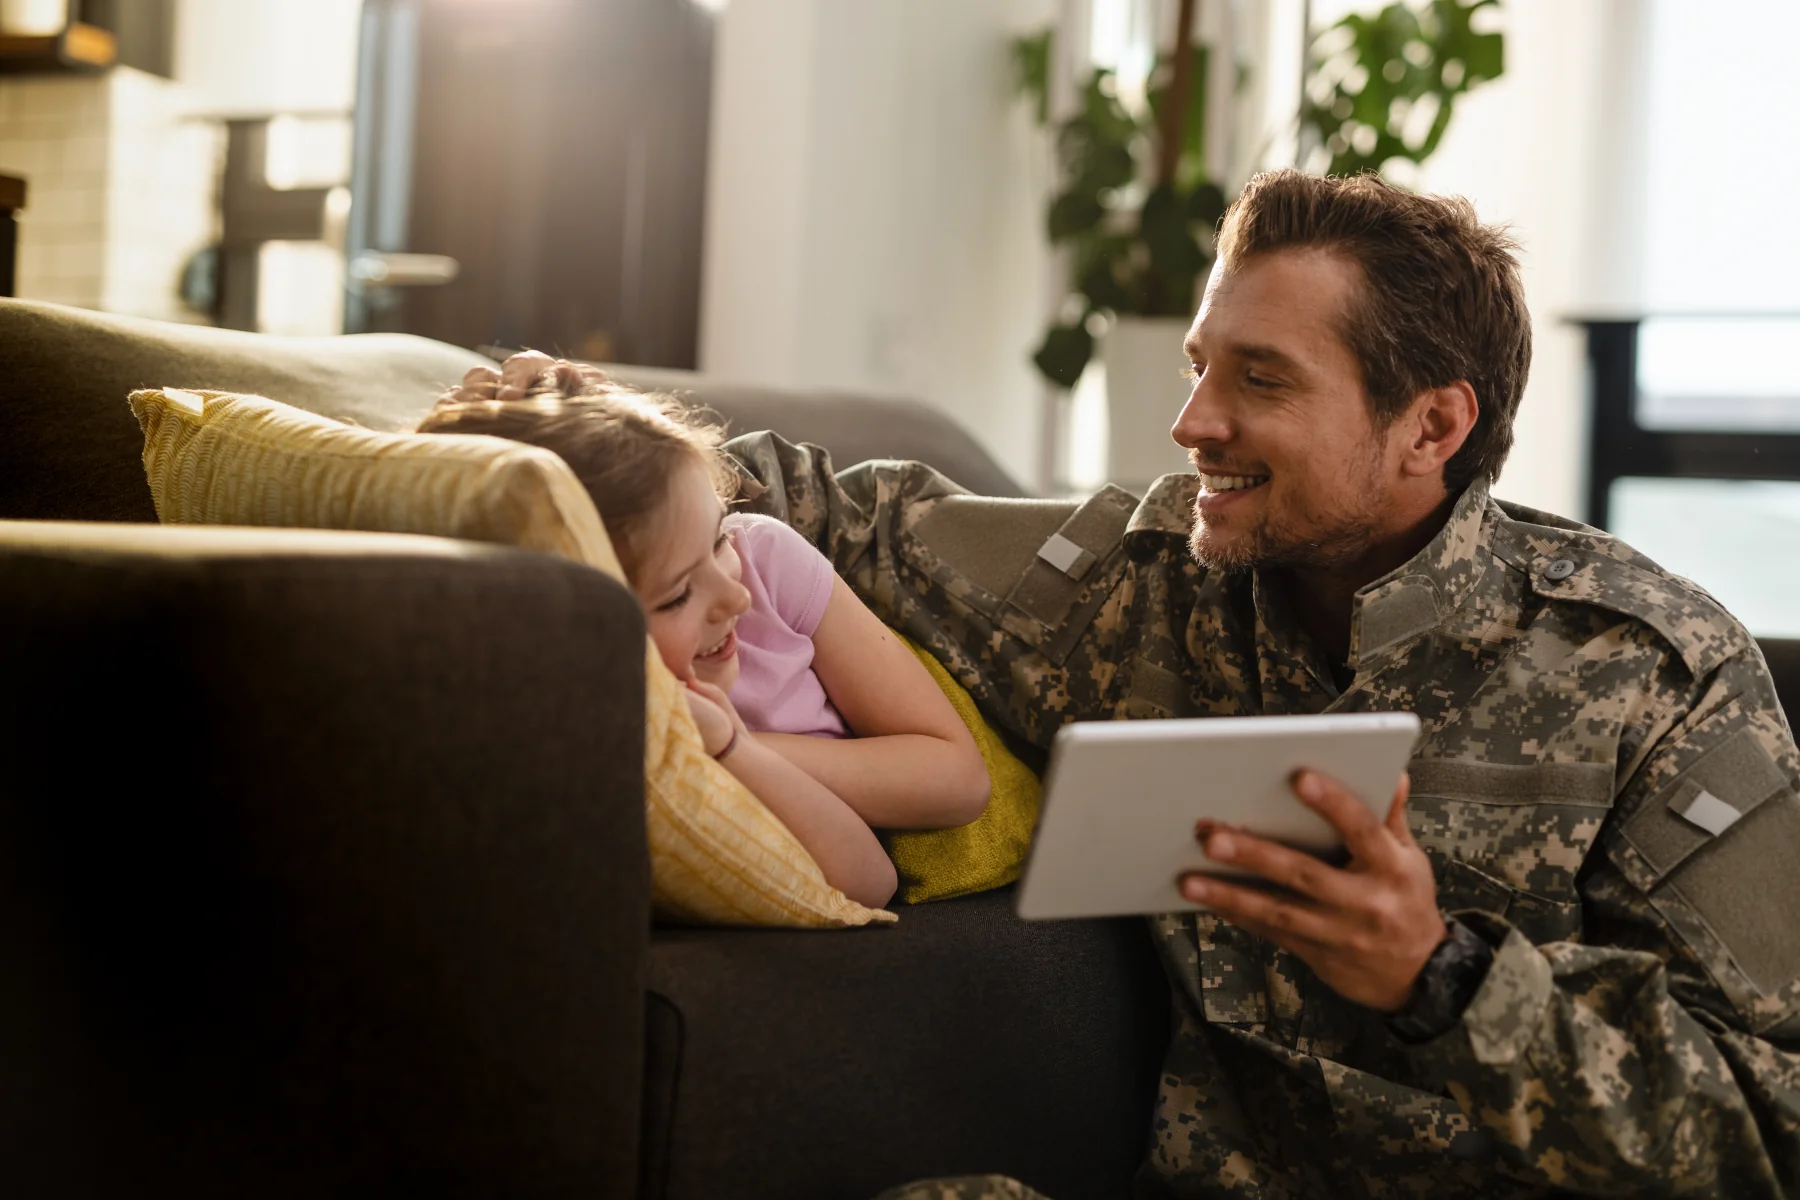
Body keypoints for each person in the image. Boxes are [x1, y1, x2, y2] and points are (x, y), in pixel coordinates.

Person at [712, 170, 1800, 1197]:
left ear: (1433, 425)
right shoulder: (1138, 591)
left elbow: (1774, 1129)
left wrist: (1444, 979)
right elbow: (828, 511)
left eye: (1260, 378)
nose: (1191, 423)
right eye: (1199, 365)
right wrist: (562, 417)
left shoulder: (1656, 673)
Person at [418, 356, 990, 909]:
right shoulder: (600, 723)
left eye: (717, 541)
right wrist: (721, 750)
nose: (733, 599)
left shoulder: (760, 558)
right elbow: (865, 881)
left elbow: (961, 781)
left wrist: (725, 742)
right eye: (676, 596)